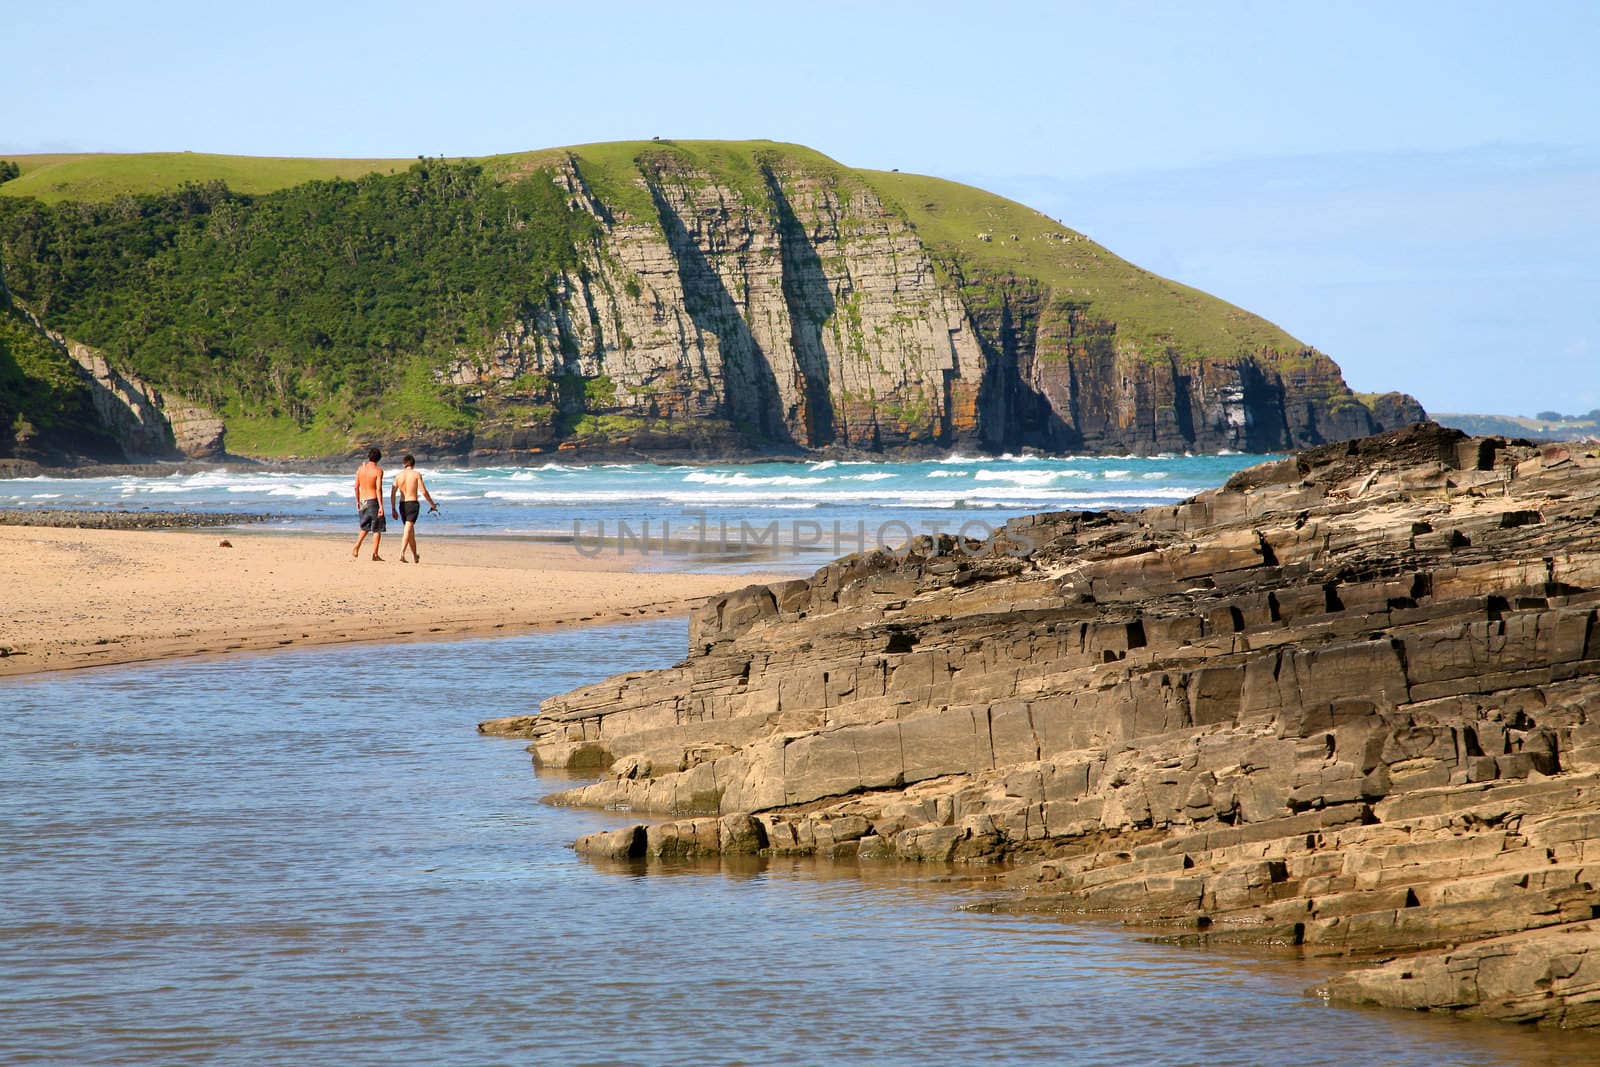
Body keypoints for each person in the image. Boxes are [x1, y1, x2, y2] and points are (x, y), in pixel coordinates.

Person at [389, 453, 439, 563]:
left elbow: (392, 493)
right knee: (408, 528)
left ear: (404, 464)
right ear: (413, 464)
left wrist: (393, 508)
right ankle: (402, 552)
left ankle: (415, 556)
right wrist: (432, 504)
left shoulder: (398, 476)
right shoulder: (416, 474)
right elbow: (424, 491)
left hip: (402, 504)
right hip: (412, 503)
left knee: (410, 530)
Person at [352, 447, 386, 561]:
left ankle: (357, 545)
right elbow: (378, 489)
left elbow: (356, 487)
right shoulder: (378, 471)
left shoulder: (360, 469)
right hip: (373, 500)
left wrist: (357, 501)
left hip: (362, 500)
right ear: (378, 459)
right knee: (377, 528)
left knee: (365, 526)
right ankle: (375, 554)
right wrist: (381, 506)